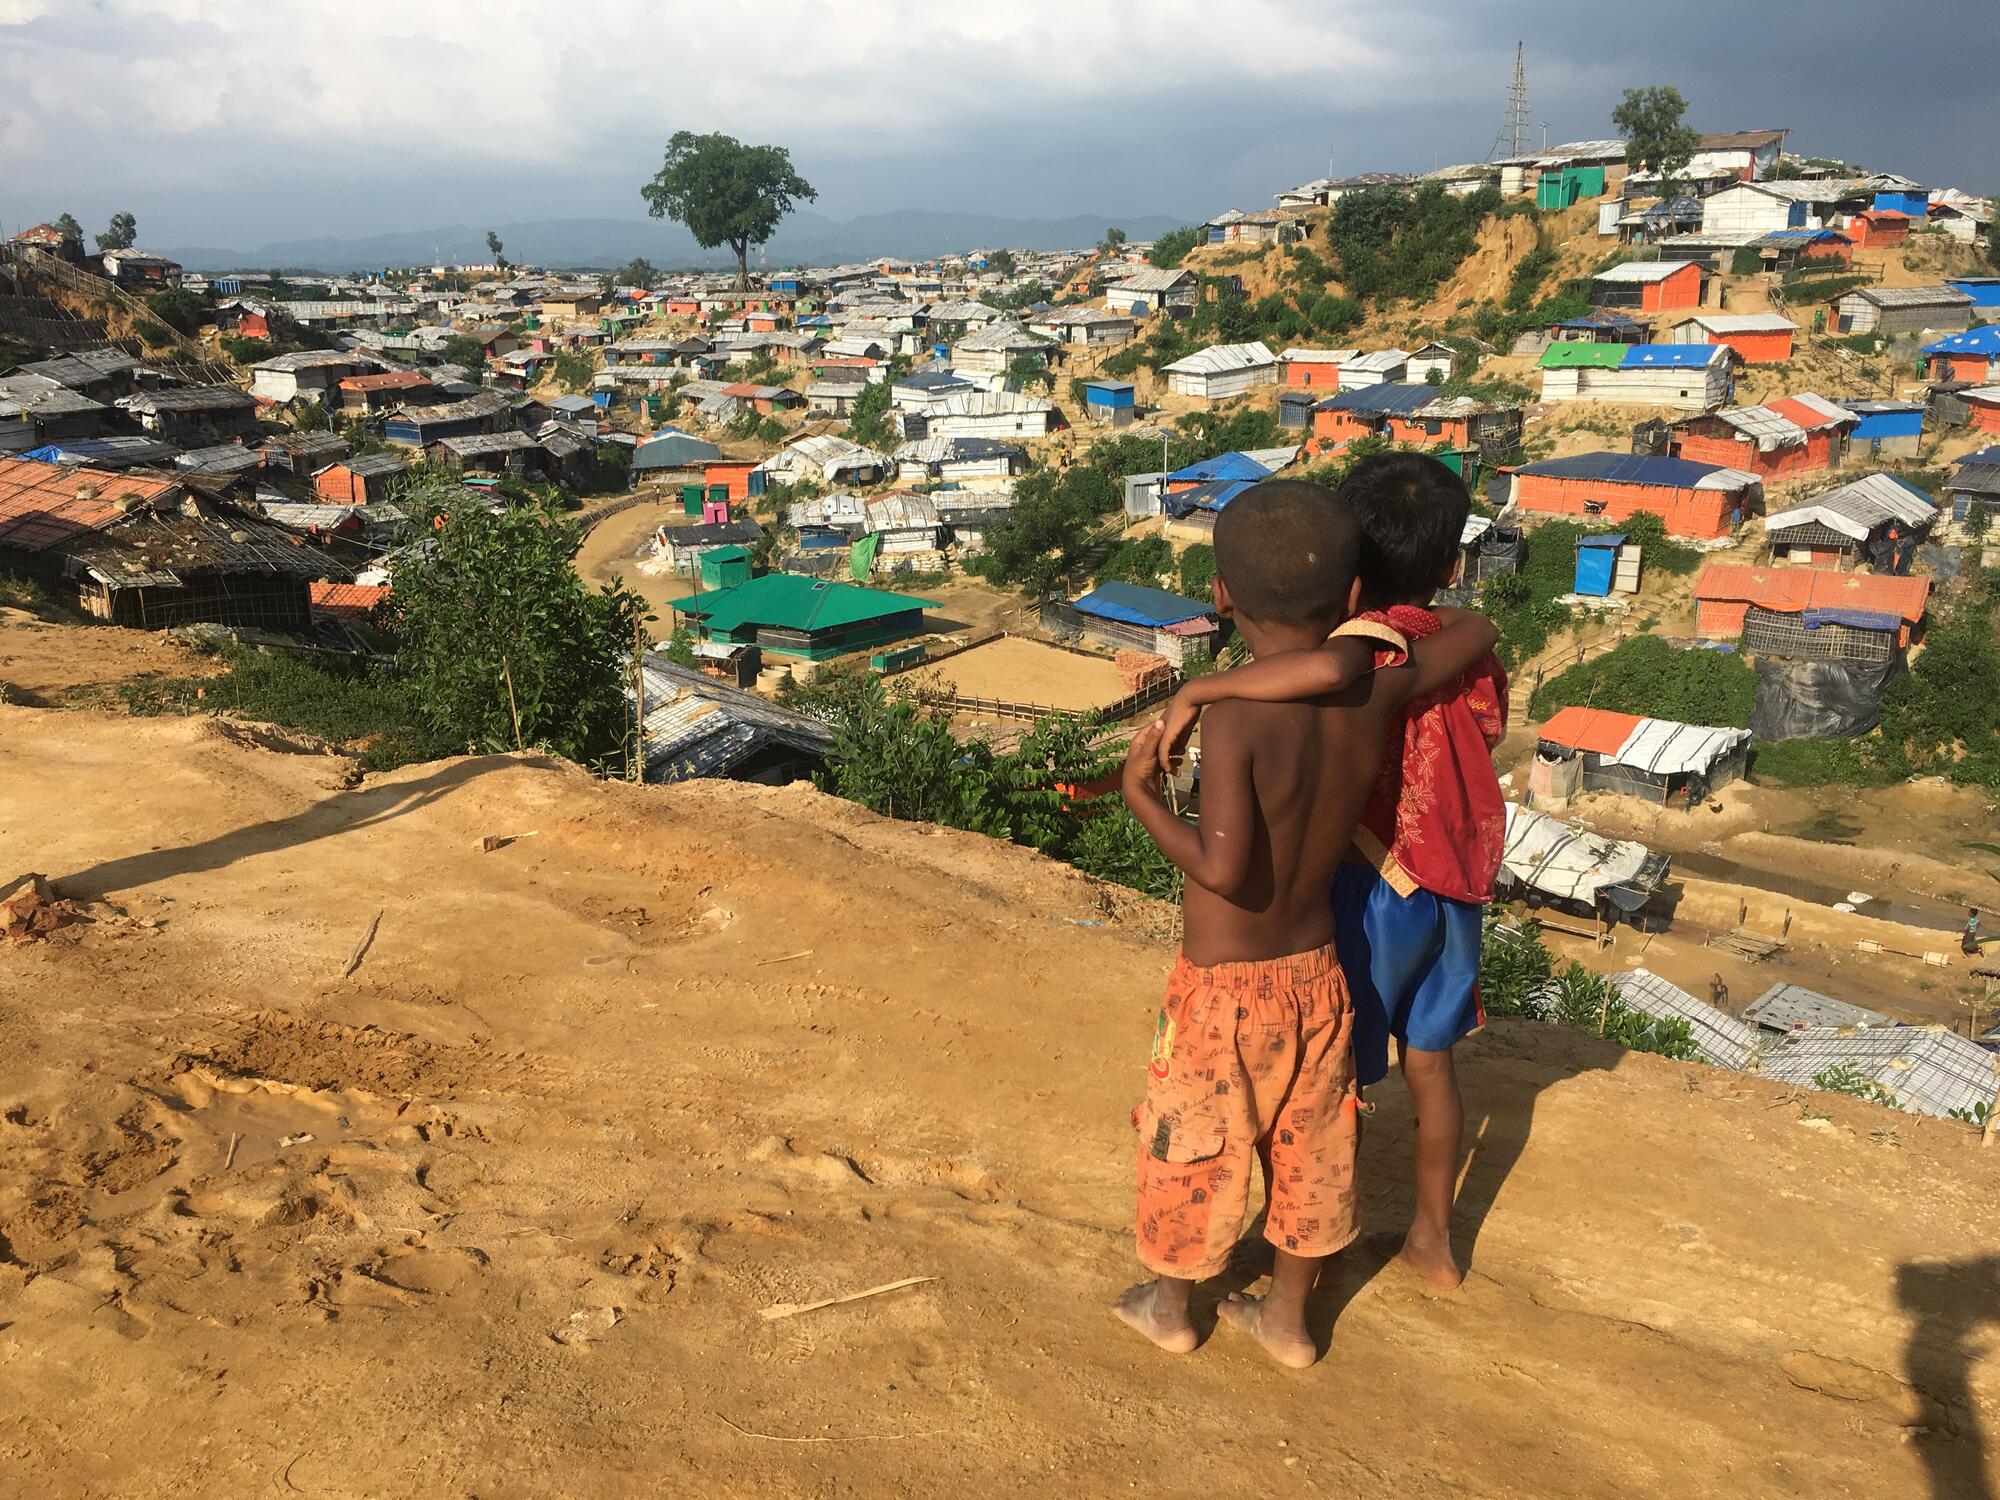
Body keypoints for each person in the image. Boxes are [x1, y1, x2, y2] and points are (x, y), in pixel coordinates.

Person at [1112, 479, 1498, 1370]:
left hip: (1220, 990)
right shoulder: (1373, 689)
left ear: (1220, 595)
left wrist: (1140, 793)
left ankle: (1172, 1308)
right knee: (1311, 1151)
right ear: (1357, 598)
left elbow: (1220, 867)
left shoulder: (1240, 717)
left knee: (1193, 1147)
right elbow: (1471, 631)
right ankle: (1287, 1325)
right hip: (1316, 975)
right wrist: (1357, 650)